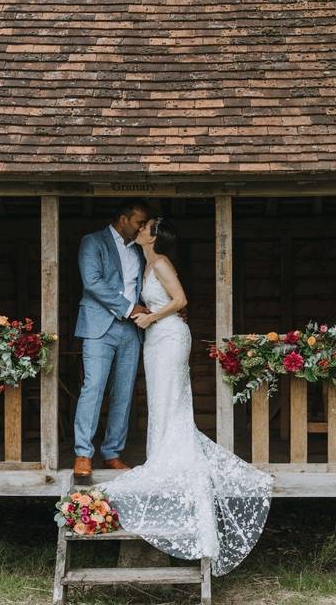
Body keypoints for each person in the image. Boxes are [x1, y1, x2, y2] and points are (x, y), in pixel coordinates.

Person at [98, 217, 274, 576]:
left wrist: (151, 319)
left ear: (154, 236)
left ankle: (168, 456)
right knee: (162, 399)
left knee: (169, 398)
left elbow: (180, 300)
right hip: (157, 336)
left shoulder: (161, 262)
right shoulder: (146, 262)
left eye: (145, 226)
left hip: (169, 334)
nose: (140, 228)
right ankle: (162, 452)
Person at [72, 199, 151, 478]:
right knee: (93, 388)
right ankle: (83, 453)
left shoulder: (141, 251)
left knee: (124, 392)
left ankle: (112, 453)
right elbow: (92, 282)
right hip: (98, 326)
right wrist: (129, 308)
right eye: (139, 222)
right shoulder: (93, 242)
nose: (142, 227)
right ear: (123, 219)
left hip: (132, 330)